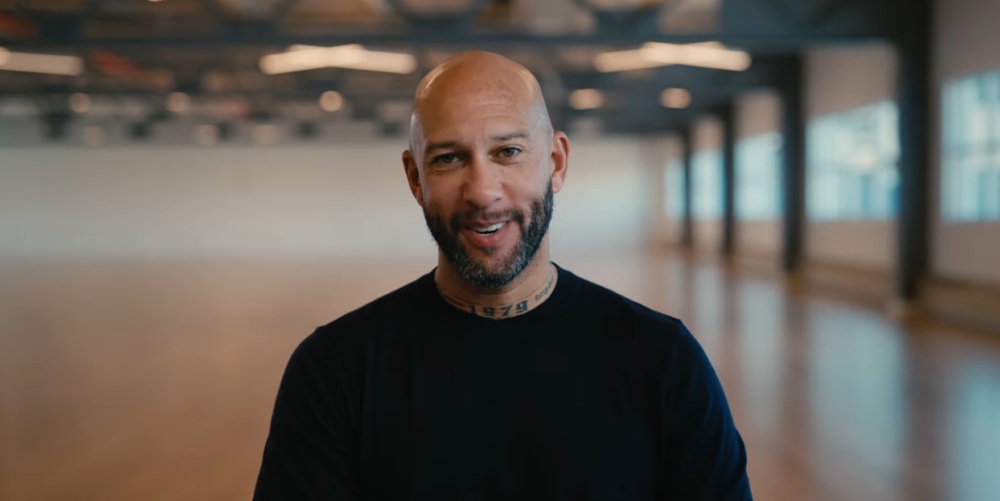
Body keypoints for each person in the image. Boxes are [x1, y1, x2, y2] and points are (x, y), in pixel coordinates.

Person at [253, 50, 752, 501]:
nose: (482, 192)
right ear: (415, 179)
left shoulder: (663, 362)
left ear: (555, 163)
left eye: (507, 152)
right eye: (449, 158)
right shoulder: (334, 370)